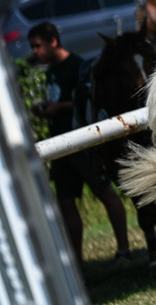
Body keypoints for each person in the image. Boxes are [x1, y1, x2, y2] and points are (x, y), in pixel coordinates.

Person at [27, 22, 132, 265]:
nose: (35, 51)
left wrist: (59, 107)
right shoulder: (50, 70)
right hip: (58, 144)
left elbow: (87, 100)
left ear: (53, 41)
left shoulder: (77, 65)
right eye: (32, 47)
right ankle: (77, 261)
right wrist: (46, 108)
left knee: (105, 192)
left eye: (38, 45)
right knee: (65, 202)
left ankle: (124, 249)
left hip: (81, 141)